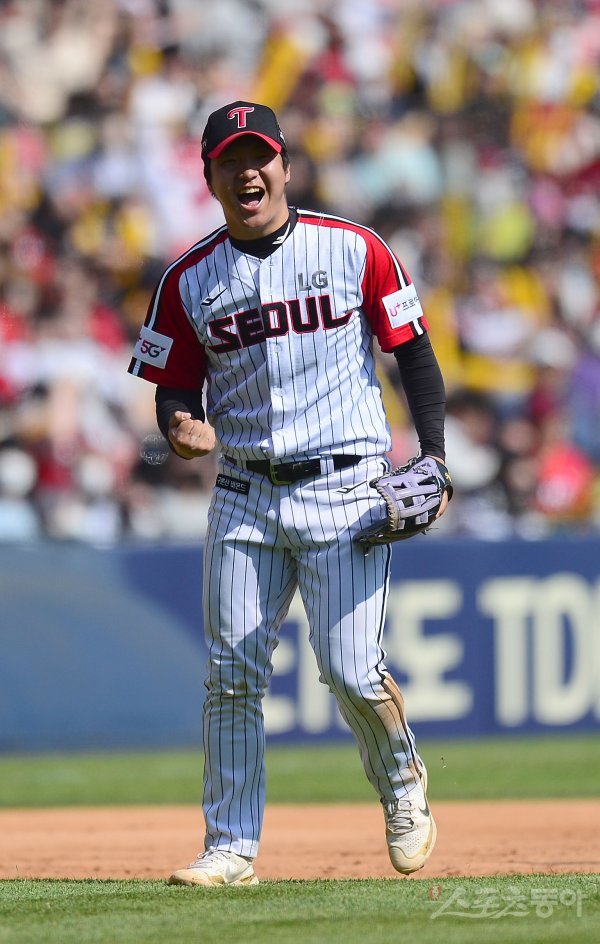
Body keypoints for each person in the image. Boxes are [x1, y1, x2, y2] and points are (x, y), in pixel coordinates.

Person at [128, 100, 451, 886]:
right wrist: (178, 426)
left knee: (350, 670)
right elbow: (172, 391)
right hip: (245, 491)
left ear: (284, 165)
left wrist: (436, 457)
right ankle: (230, 846)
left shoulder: (354, 248)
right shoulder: (187, 279)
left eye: (259, 156)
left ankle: (402, 782)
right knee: (232, 672)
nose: (248, 172)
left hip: (346, 486)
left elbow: (414, 354)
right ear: (209, 177)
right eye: (230, 161)